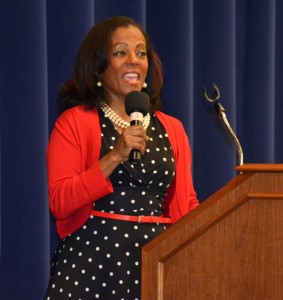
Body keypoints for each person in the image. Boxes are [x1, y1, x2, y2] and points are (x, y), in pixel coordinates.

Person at [45, 16, 199, 300]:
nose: (133, 60)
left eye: (141, 53)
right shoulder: (74, 123)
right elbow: (60, 200)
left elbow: (186, 204)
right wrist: (115, 156)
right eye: (120, 52)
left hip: (157, 261)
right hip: (92, 262)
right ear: (98, 68)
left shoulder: (172, 128)